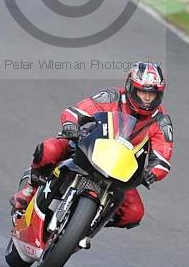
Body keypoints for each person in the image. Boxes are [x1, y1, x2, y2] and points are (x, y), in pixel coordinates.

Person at [10, 61, 174, 230]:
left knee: (134, 213)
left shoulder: (161, 120)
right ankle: (30, 188)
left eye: (152, 94)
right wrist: (71, 125)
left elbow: (163, 156)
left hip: (122, 170)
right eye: (142, 92)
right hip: (88, 147)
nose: (147, 98)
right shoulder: (112, 97)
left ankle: (88, 225)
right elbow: (79, 110)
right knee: (48, 149)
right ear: (131, 87)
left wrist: (152, 173)